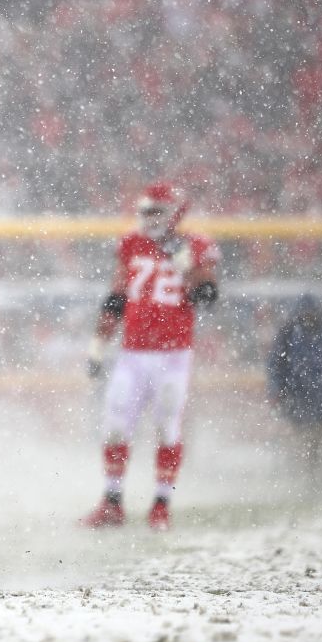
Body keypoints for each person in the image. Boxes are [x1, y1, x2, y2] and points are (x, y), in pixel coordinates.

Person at [82, 182, 221, 531]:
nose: (149, 217)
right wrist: (98, 344)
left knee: (167, 427)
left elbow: (207, 296)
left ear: (175, 212)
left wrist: (184, 262)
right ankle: (112, 501)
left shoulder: (196, 245)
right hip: (132, 352)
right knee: (115, 425)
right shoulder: (131, 243)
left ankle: (161, 504)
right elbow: (116, 297)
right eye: (147, 210)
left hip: (173, 354)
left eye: (157, 211)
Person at [266, 294, 322, 486]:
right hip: (298, 399)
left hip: (321, 400)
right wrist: (276, 390)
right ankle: (305, 479)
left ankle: (312, 479)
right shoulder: (289, 334)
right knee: (304, 442)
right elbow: (275, 365)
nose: (308, 317)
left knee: (315, 443)